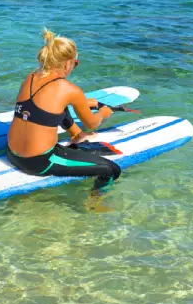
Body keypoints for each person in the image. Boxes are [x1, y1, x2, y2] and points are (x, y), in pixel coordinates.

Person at [6, 29, 121, 189]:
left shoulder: (31, 77)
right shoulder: (70, 90)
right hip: (39, 162)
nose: (74, 67)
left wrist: (82, 102)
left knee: (58, 109)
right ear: (68, 63)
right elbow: (92, 123)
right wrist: (103, 112)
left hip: (11, 154)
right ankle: (96, 204)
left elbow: (44, 106)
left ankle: (77, 136)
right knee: (111, 170)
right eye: (75, 63)